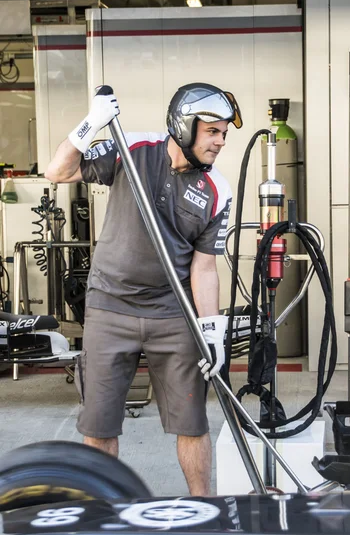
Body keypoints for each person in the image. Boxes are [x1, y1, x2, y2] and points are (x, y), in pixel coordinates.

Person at [45, 82, 243, 496]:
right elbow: (57, 171)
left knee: (191, 421)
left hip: (174, 314)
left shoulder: (217, 191)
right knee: (98, 424)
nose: (221, 141)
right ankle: (97, 513)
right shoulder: (131, 148)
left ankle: (202, 508)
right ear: (184, 126)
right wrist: (91, 124)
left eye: (224, 133)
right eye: (213, 131)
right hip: (109, 308)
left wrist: (212, 330)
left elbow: (205, 269)